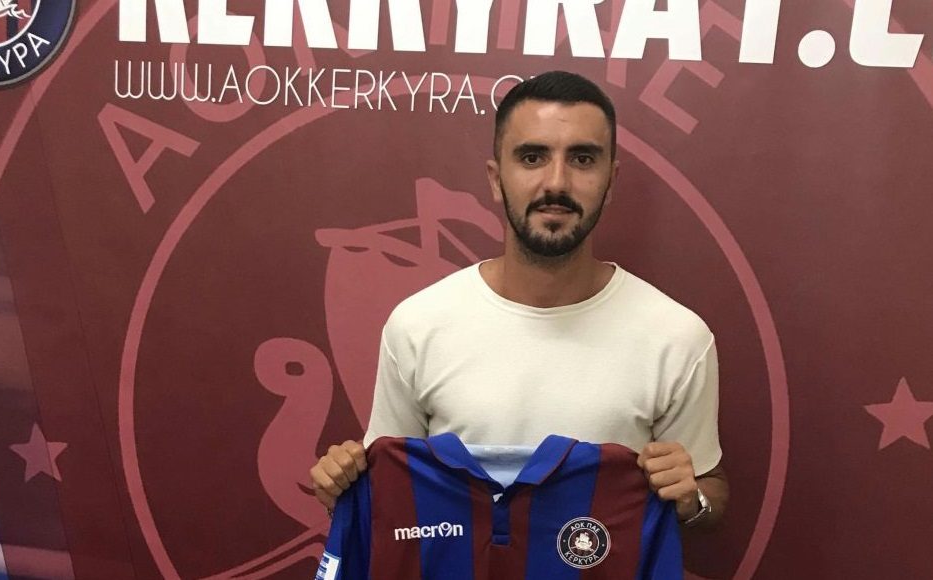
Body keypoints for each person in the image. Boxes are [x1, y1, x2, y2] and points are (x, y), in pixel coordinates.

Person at [309, 70, 728, 528]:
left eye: (583, 159)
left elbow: (708, 489)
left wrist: (693, 500)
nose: (556, 183)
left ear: (610, 181)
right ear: (496, 179)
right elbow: (389, 490)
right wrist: (343, 487)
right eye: (532, 157)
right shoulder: (418, 324)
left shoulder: (678, 337)